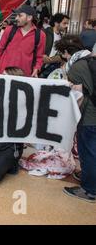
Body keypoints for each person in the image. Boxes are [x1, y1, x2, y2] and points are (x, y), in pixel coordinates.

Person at [54, 35, 96, 202]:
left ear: (66, 52)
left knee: (88, 152)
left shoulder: (76, 67)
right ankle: (88, 177)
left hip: (89, 117)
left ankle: (90, 190)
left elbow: (77, 98)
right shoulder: (90, 59)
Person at [0, 5, 46, 78]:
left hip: (23, 78)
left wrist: (36, 69)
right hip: (3, 74)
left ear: (29, 18)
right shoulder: (9, 30)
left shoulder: (40, 35)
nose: (16, 18)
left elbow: (39, 57)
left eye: (20, 16)